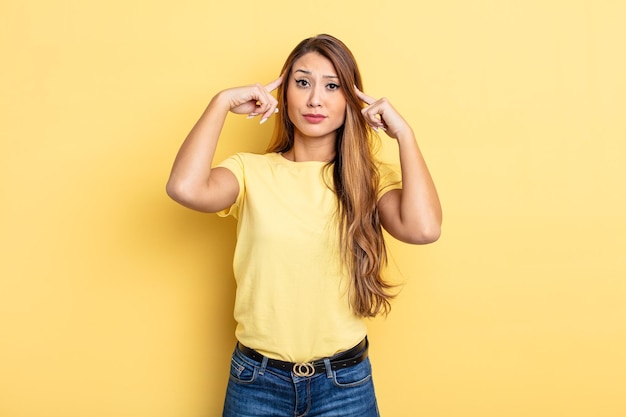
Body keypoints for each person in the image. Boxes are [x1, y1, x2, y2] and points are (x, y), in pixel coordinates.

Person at [166, 34, 441, 417]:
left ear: (351, 99)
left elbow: (424, 229)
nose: (315, 99)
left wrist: (405, 135)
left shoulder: (371, 178)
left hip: (344, 384)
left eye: (332, 86)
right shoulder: (251, 171)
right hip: (256, 383)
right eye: (302, 82)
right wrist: (221, 102)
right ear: (284, 93)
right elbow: (184, 187)